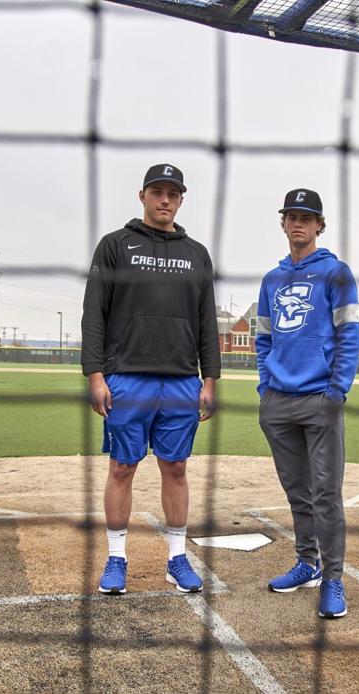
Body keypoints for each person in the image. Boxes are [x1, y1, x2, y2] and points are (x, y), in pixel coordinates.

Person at [81, 163, 220, 595]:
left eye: (173, 193)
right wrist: (95, 374)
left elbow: (206, 322)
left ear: (181, 200)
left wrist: (210, 379)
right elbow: (93, 315)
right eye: (157, 191)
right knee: (122, 467)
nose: (165, 200)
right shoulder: (115, 246)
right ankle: (116, 559)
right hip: (127, 378)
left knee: (175, 468)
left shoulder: (196, 253)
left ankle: (177, 558)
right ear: (142, 195)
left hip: (180, 380)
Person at [256, 188, 359, 618]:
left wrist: (337, 391)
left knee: (326, 495)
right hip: (278, 402)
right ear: (282, 223)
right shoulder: (271, 279)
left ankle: (333, 580)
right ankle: (307, 563)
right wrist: (266, 385)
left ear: (319, 225)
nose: (298, 223)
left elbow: (350, 335)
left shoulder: (336, 273)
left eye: (307, 217)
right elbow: (262, 336)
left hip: (320, 399)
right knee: (297, 491)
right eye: (292, 217)